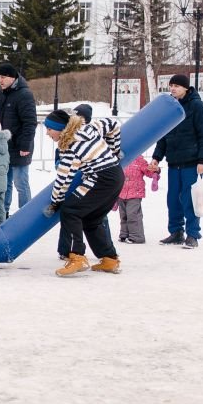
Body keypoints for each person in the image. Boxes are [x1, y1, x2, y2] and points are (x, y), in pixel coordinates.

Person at [43, 108, 124, 277]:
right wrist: (114, 150)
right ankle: (109, 259)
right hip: (115, 175)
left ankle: (77, 257)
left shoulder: (70, 146)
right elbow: (113, 124)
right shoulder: (89, 128)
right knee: (91, 218)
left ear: (59, 128)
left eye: (49, 129)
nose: (47, 133)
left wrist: (55, 202)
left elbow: (63, 180)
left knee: (70, 211)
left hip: (100, 179)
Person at [149, 74, 203, 249]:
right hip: (173, 163)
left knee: (190, 199)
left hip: (192, 162)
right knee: (173, 200)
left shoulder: (197, 106)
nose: (173, 89)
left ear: (186, 88)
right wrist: (156, 157)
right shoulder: (170, 107)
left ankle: (193, 234)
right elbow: (163, 135)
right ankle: (177, 232)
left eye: (177, 86)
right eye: (171, 85)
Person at [0, 63, 36, 216]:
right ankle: (4, 212)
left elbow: (30, 122)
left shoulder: (24, 94)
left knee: (21, 182)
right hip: (5, 146)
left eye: (3, 77)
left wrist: (25, 146)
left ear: (12, 78)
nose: (0, 80)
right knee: (5, 182)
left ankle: (26, 213)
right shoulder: (2, 93)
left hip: (20, 146)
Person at [117, 154, 159, 244]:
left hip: (135, 193)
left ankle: (137, 236)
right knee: (123, 215)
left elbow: (149, 171)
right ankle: (125, 234)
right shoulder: (120, 159)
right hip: (121, 192)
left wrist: (155, 171)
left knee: (133, 215)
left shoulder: (139, 160)